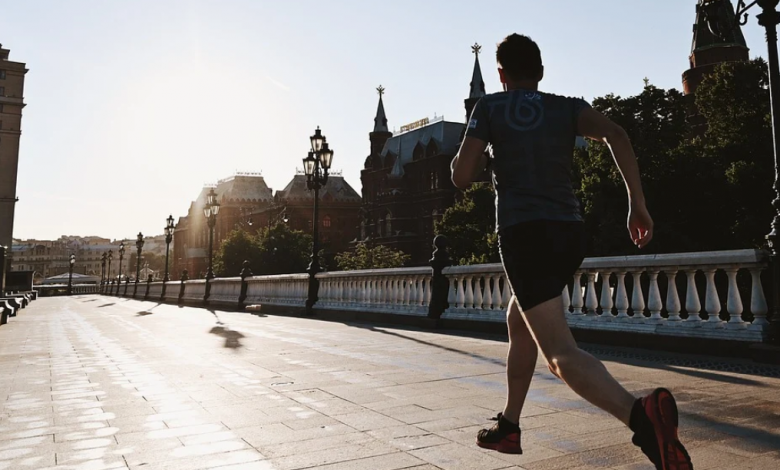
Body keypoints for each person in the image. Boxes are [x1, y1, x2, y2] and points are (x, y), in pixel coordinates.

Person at [450, 34, 693, 470]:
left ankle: (643, 419)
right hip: (569, 233)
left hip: (524, 235)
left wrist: (479, 149)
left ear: (501, 74)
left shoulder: (487, 108)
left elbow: (461, 177)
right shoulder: (566, 106)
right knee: (519, 318)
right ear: (541, 73)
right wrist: (637, 204)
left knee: (560, 355)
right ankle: (509, 425)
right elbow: (618, 134)